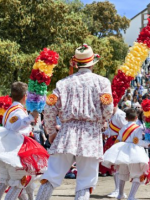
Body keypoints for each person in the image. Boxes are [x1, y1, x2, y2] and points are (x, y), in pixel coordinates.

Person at [36, 45, 113, 200]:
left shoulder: (63, 83)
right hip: (91, 135)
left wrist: (51, 132)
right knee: (85, 181)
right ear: (92, 63)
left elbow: (50, 109)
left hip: (67, 133)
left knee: (51, 176)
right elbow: (108, 109)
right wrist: (102, 121)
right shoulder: (102, 82)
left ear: (76, 63)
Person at [0, 82, 47, 200]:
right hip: (16, 151)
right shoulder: (17, 111)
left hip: (9, 150)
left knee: (13, 181)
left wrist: (30, 120)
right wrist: (30, 118)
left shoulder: (11, 109)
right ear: (25, 96)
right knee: (19, 182)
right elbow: (14, 126)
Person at [102, 108, 150, 200]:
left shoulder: (123, 128)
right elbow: (137, 141)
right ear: (136, 118)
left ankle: (120, 194)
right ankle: (131, 196)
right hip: (134, 152)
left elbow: (119, 140)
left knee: (122, 173)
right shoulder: (138, 128)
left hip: (122, 152)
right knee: (137, 174)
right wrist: (147, 143)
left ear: (125, 118)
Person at [101, 106, 128, 198]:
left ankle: (119, 191)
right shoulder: (112, 115)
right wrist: (104, 133)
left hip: (118, 142)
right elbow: (110, 130)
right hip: (111, 141)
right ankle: (117, 189)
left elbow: (126, 129)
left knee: (117, 167)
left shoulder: (120, 115)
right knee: (113, 167)